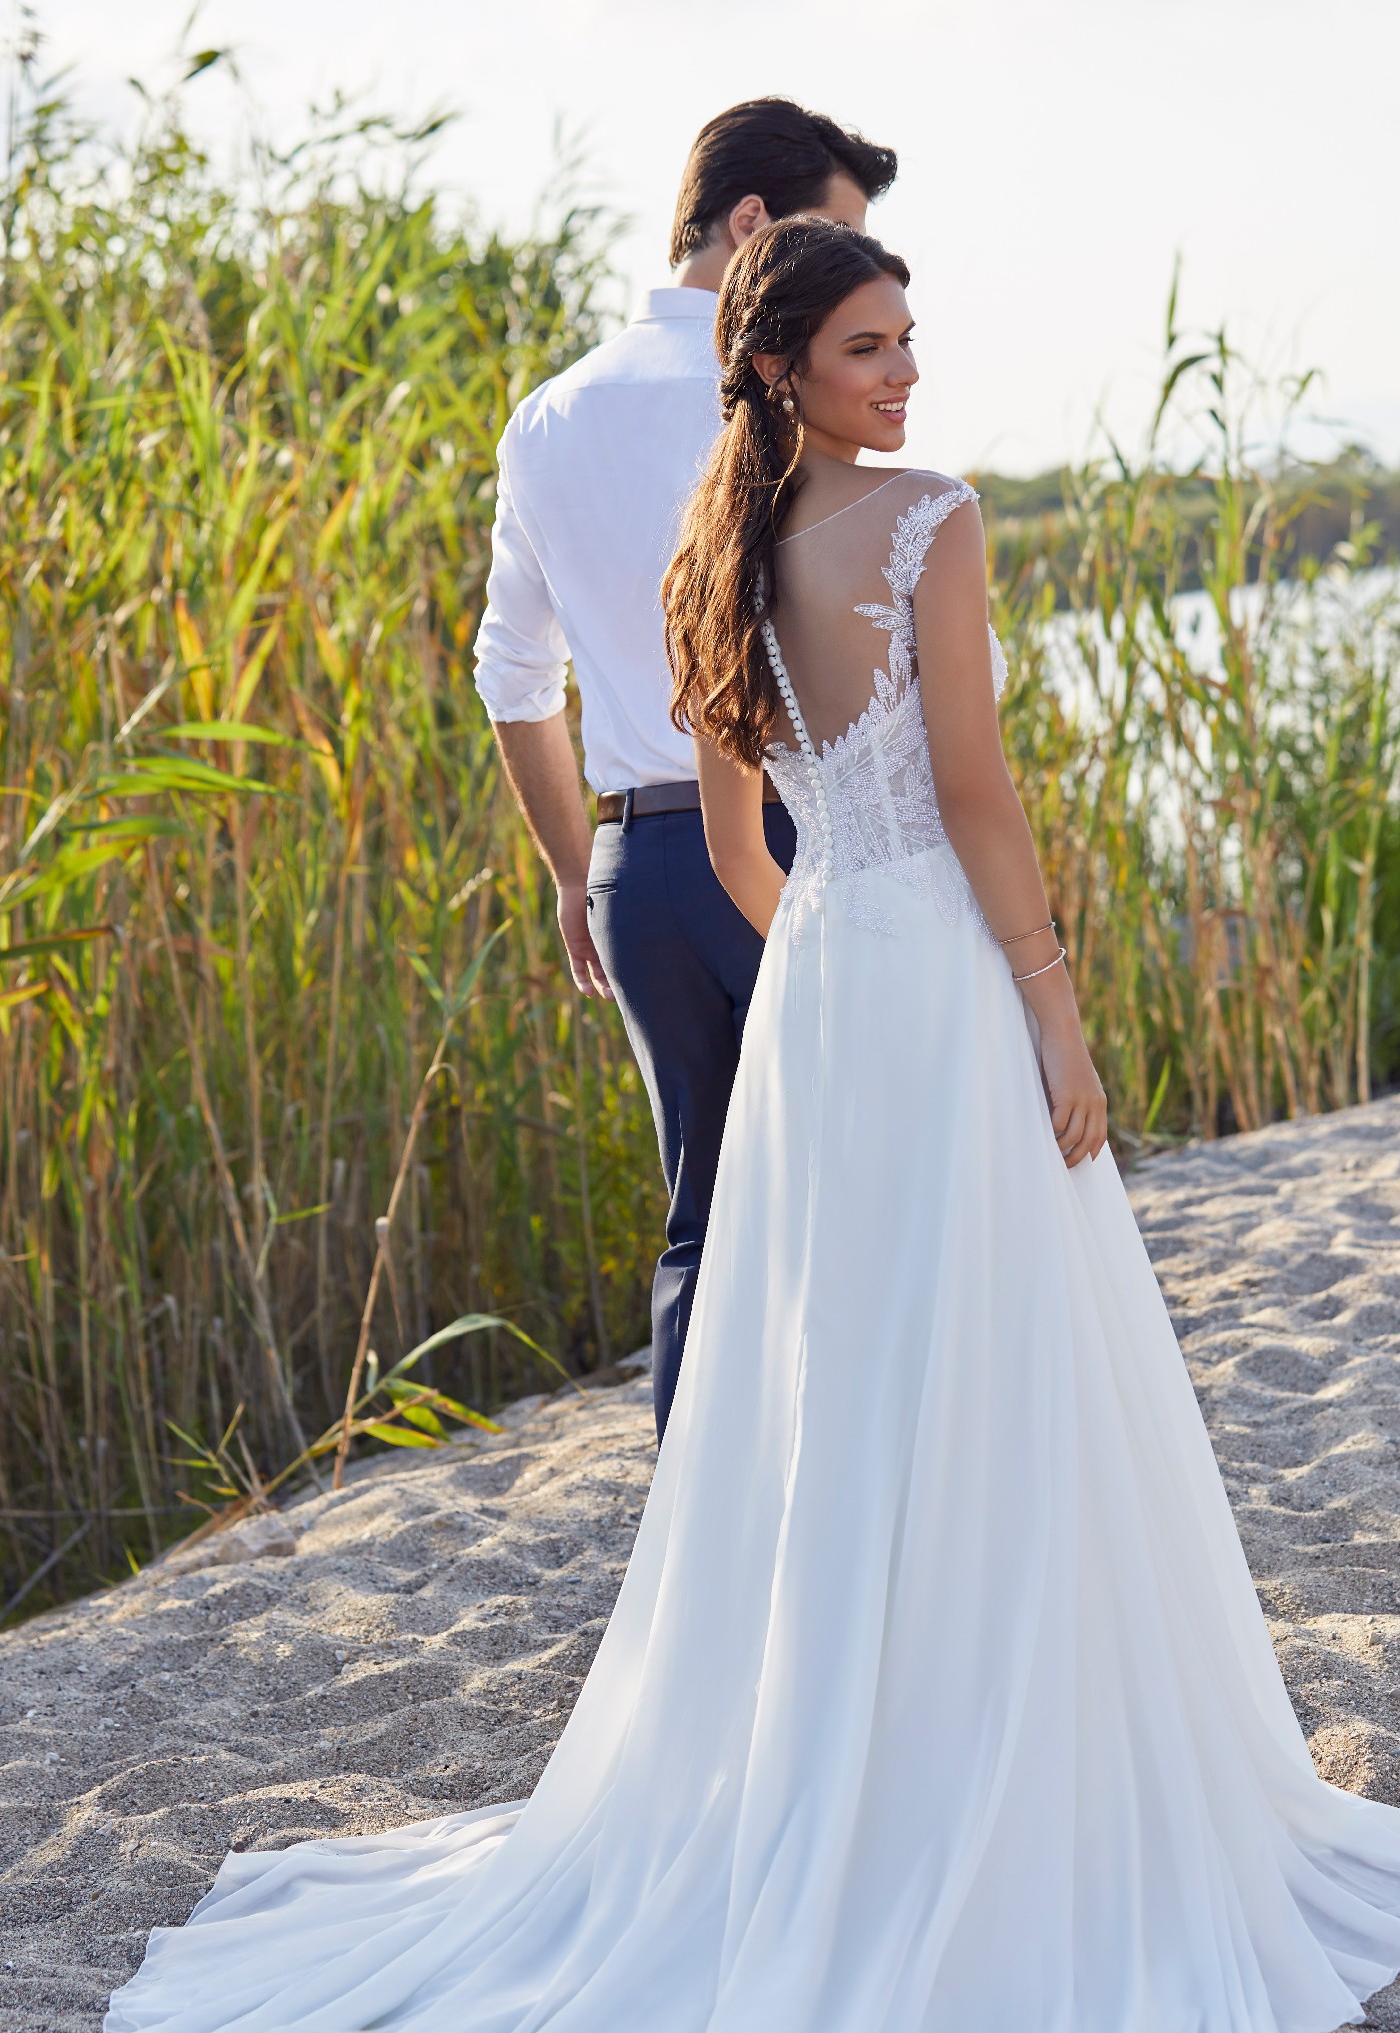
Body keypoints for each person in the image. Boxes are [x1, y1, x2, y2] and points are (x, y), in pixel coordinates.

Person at [99, 221, 1400, 2033]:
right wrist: (1057, 1000)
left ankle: (857, 1763)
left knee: (852, 1388)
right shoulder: (930, 529)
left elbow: (743, 844)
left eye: (911, 342)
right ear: (794, 362)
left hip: (830, 989)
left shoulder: (717, 545)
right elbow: (982, 796)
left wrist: (826, 920)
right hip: (925, 985)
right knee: (985, 1369)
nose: (906, 374)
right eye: (870, 345)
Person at [473, 98, 896, 1439]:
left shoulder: (543, 419)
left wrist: (567, 875)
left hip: (633, 874)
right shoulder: (769, 390)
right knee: (856, 1188)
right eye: (831, 235)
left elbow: (510, 677)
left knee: (703, 1214)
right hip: (786, 841)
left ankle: (696, 1551)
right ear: (753, 223)